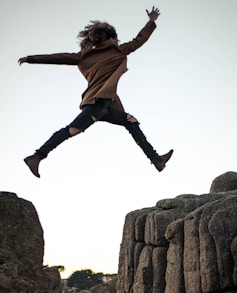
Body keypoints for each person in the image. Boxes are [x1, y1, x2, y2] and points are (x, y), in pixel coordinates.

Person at [18, 6, 173, 178]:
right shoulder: (117, 50)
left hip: (106, 105)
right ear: (111, 37)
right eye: (115, 37)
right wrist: (151, 21)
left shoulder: (83, 56)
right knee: (73, 129)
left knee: (131, 121)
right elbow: (139, 40)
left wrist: (31, 59)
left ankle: (156, 159)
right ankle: (37, 156)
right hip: (96, 103)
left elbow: (57, 57)